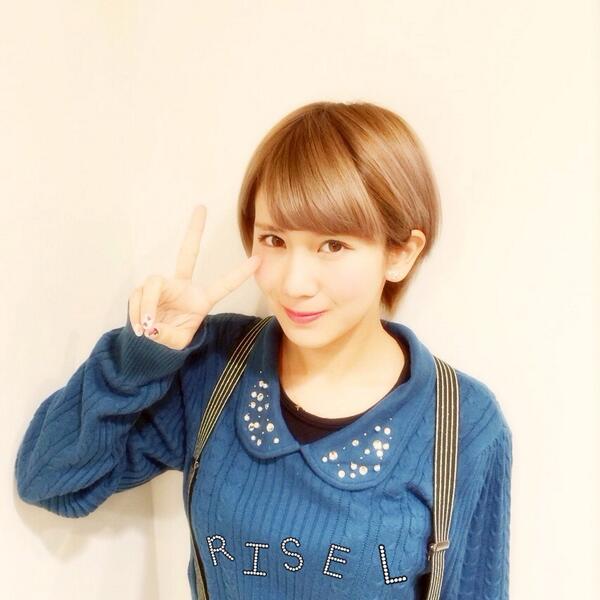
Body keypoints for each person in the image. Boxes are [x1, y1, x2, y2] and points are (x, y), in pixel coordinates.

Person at [15, 101, 512, 599]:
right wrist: (141, 356)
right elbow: (52, 482)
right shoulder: (216, 367)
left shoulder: (462, 424)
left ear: (400, 252)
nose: (294, 283)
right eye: (274, 239)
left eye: (333, 245)